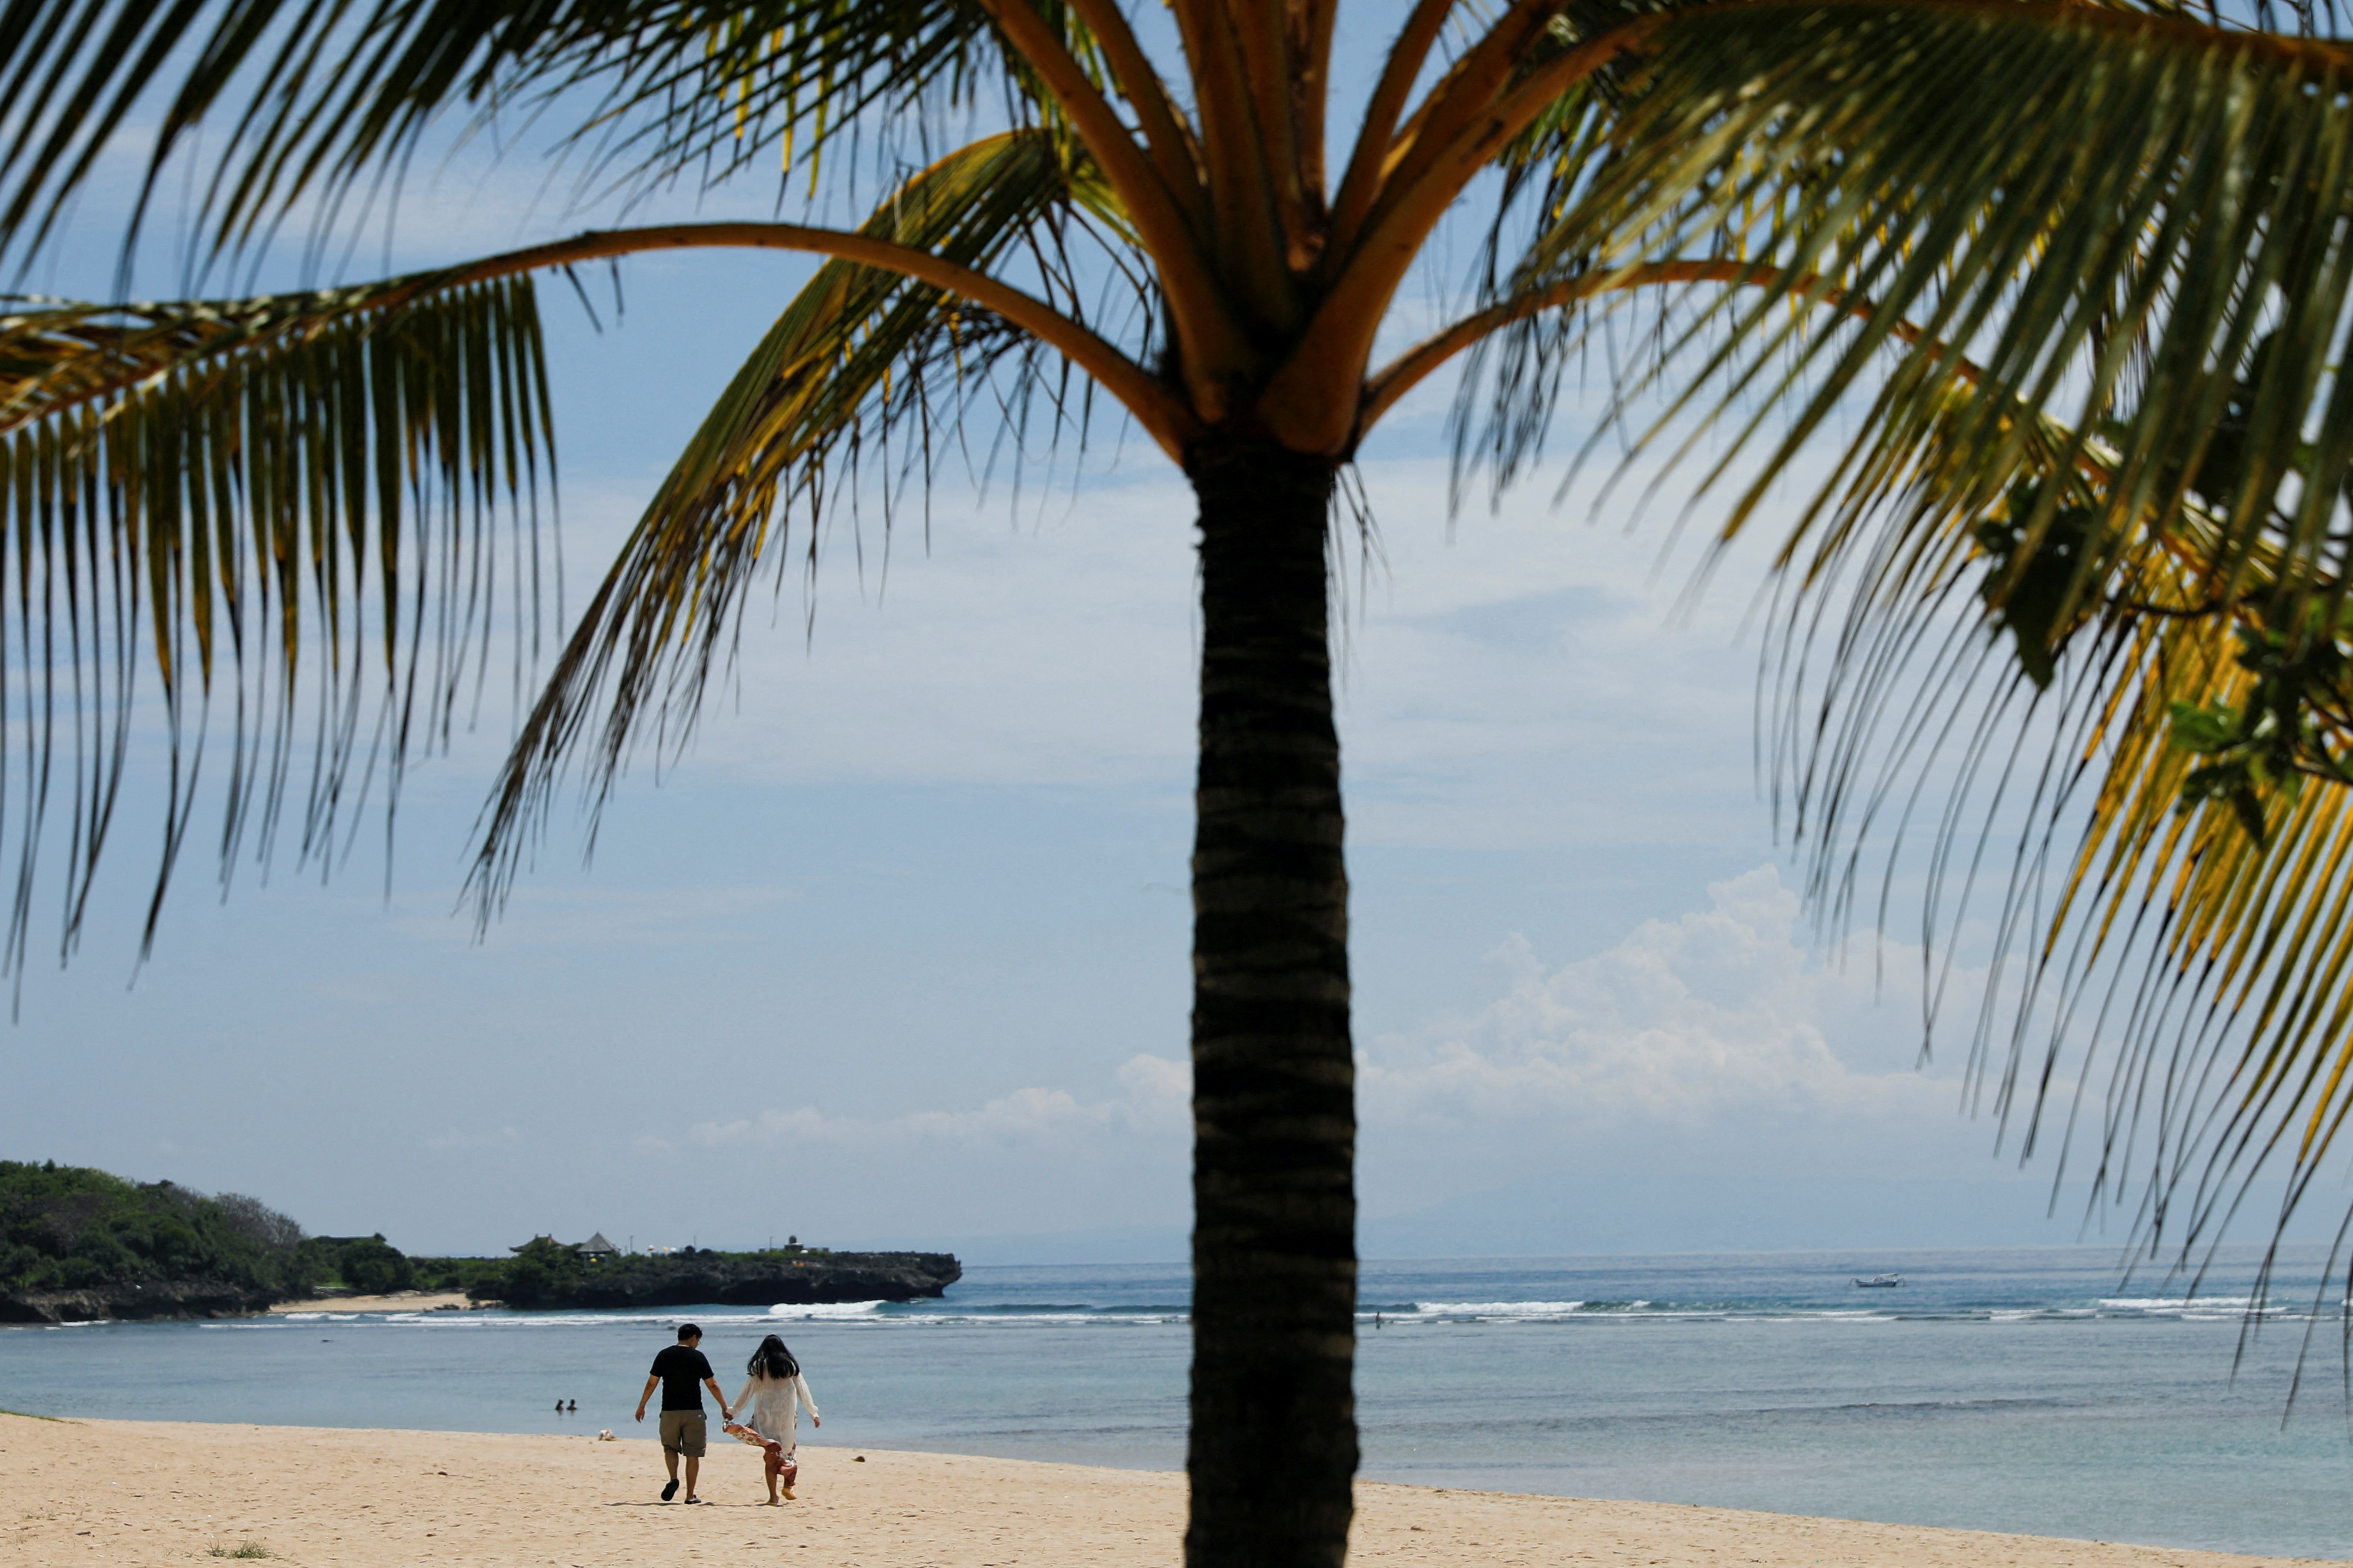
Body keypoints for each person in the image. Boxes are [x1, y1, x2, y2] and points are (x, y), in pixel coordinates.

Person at [634, 1322, 731, 1503]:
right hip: (694, 1411)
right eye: (698, 1341)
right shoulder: (698, 1357)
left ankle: (673, 1479)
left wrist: (642, 1406)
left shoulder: (664, 1355)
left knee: (670, 1448)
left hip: (669, 1411)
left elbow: (651, 1383)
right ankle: (690, 1496)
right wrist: (724, 1407)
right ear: (694, 1338)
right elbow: (712, 1384)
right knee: (693, 1453)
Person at [729, 1334, 820, 1504]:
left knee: (771, 1455)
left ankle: (773, 1497)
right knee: (789, 1452)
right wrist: (813, 1413)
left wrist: (734, 1411)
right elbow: (803, 1390)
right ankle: (788, 1486)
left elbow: (747, 1391)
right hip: (786, 1418)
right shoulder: (791, 1366)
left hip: (765, 1418)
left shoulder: (760, 1368)